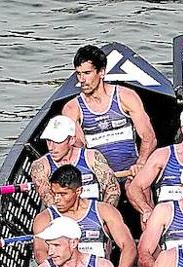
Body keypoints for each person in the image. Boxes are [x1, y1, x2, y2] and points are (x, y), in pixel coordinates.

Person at [61, 45, 157, 178]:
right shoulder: (72, 108)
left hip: (131, 171)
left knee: (135, 191)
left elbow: (149, 137)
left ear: (101, 72)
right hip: (99, 176)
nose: (82, 80)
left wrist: (140, 164)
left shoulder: (126, 96)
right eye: (78, 73)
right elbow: (79, 148)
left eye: (87, 73)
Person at [31, 165, 136, 267]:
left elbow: (128, 246)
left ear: (78, 191)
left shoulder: (104, 211)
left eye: (63, 194)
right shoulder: (44, 218)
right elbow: (40, 253)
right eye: (54, 193)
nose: (56, 199)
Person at [29, 114, 120, 206]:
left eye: (57, 141)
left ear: (72, 140)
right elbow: (47, 197)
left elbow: (112, 190)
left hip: (94, 212)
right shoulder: (41, 165)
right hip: (62, 216)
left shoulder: (92, 157)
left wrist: (103, 215)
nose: (51, 147)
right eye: (48, 140)